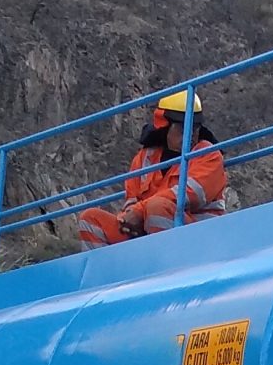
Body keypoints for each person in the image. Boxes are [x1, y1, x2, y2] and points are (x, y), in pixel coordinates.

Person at [76, 91, 227, 248]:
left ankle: (166, 269)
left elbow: (192, 194)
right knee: (90, 219)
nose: (190, 136)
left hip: (198, 237)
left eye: (195, 129)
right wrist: (128, 218)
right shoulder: (145, 157)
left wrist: (140, 211)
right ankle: (110, 271)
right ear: (164, 127)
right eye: (183, 129)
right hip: (146, 232)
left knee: (157, 208)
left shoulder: (208, 153)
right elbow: (131, 197)